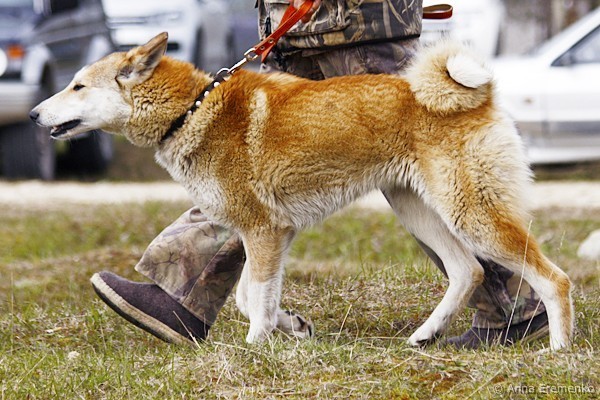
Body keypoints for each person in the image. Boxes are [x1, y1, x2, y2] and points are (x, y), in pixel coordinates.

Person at [91, 0, 549, 349]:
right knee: (240, 175)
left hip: (360, 24)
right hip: (293, 26)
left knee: (428, 154)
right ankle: (183, 295)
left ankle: (513, 304)